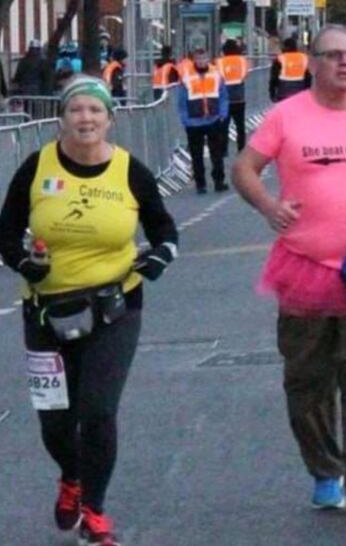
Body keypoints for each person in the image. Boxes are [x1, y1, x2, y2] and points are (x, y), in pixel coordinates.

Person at [0, 75, 178, 546]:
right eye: (76, 110)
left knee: (98, 411)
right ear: (61, 119)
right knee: (55, 418)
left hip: (114, 305)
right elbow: (5, 232)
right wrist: (26, 265)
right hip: (46, 310)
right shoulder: (36, 167)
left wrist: (158, 258)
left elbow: (164, 230)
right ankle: (71, 478)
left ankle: (95, 512)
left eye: (95, 111)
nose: (85, 119)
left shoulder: (129, 170)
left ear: (109, 120)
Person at [232, 24, 346, 512]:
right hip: (303, 264)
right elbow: (244, 168)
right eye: (333, 56)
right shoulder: (287, 116)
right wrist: (268, 206)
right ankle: (325, 472)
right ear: (312, 62)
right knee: (307, 379)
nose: (345, 63)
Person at [178, 48, 229, 194]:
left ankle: (219, 181)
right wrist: (185, 119)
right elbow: (181, 100)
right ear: (194, 60)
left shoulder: (216, 73)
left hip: (213, 119)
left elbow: (223, 95)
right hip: (193, 121)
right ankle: (201, 184)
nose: (201, 62)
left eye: (204, 58)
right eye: (199, 59)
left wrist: (223, 113)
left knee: (217, 153)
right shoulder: (186, 76)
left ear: (208, 59)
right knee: (196, 154)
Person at [216, 39, 249, 155]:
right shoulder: (242, 61)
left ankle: (223, 150)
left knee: (223, 126)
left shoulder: (220, 62)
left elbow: (218, 77)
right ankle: (241, 149)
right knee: (240, 126)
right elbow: (245, 74)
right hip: (239, 97)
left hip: (225, 98)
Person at [269, 37, 311, 102]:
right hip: (300, 91)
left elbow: (273, 78)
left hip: (283, 91)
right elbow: (309, 78)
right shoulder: (304, 58)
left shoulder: (280, 58)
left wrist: (272, 93)